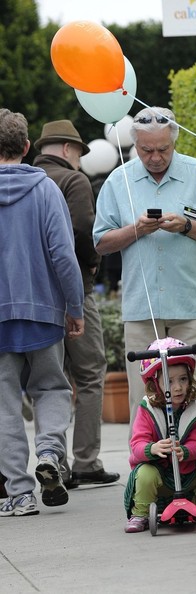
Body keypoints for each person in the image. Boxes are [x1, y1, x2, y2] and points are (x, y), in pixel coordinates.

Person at [93, 107, 196, 428]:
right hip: (142, 308)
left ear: (174, 141)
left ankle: (194, 470)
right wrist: (135, 229)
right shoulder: (118, 180)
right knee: (143, 398)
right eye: (146, 150)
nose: (154, 157)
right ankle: (146, 473)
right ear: (135, 145)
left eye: (163, 149)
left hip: (191, 305)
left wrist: (186, 226)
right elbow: (101, 242)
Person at [0, 108, 84, 516]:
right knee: (51, 388)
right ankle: (50, 451)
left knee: (4, 404)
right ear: (28, 147)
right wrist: (75, 306)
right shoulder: (46, 189)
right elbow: (64, 256)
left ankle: (18, 493)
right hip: (44, 312)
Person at [33, 120, 119, 488]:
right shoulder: (74, 181)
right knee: (89, 373)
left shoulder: (26, 179)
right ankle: (85, 461)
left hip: (33, 297)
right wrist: (94, 263)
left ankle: (55, 460)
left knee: (47, 382)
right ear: (69, 149)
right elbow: (83, 230)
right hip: (74, 291)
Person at [123, 337, 196, 532]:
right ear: (155, 383)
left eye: (183, 379)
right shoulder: (148, 409)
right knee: (144, 473)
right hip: (158, 476)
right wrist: (152, 448)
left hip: (186, 473)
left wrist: (185, 451)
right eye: (169, 381)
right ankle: (141, 513)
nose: (177, 387)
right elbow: (136, 445)